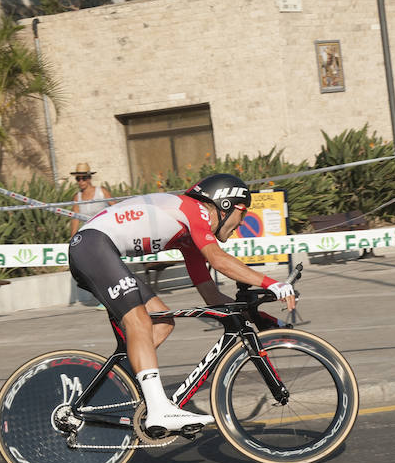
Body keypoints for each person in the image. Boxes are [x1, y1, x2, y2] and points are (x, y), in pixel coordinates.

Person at [68, 173, 296, 436]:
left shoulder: (188, 235)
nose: (242, 223)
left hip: (98, 249)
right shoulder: (193, 210)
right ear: (225, 205)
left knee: (162, 322)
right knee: (139, 320)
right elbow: (219, 260)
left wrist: (257, 316)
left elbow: (212, 298)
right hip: (92, 246)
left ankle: (111, 388)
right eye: (242, 213)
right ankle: (159, 410)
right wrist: (272, 283)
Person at [69, 163, 114, 238]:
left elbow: (116, 209)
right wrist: (73, 239)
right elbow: (75, 220)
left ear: (89, 178)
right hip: (88, 235)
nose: (81, 181)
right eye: (78, 179)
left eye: (83, 178)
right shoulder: (77, 197)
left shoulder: (102, 192)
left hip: (105, 233)